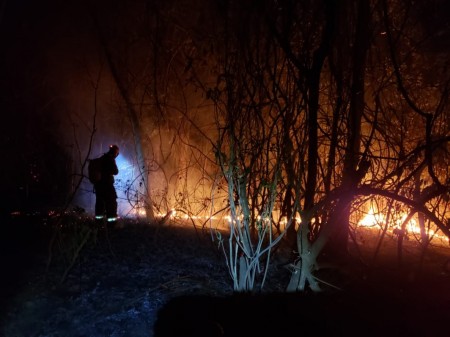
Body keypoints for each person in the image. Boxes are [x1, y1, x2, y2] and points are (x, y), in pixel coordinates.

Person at [94, 144, 119, 227]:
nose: (117, 155)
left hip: (98, 186)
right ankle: (111, 225)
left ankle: (98, 224)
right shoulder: (110, 159)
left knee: (100, 204)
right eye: (117, 153)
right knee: (111, 204)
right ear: (115, 152)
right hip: (107, 186)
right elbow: (115, 171)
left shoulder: (101, 159)